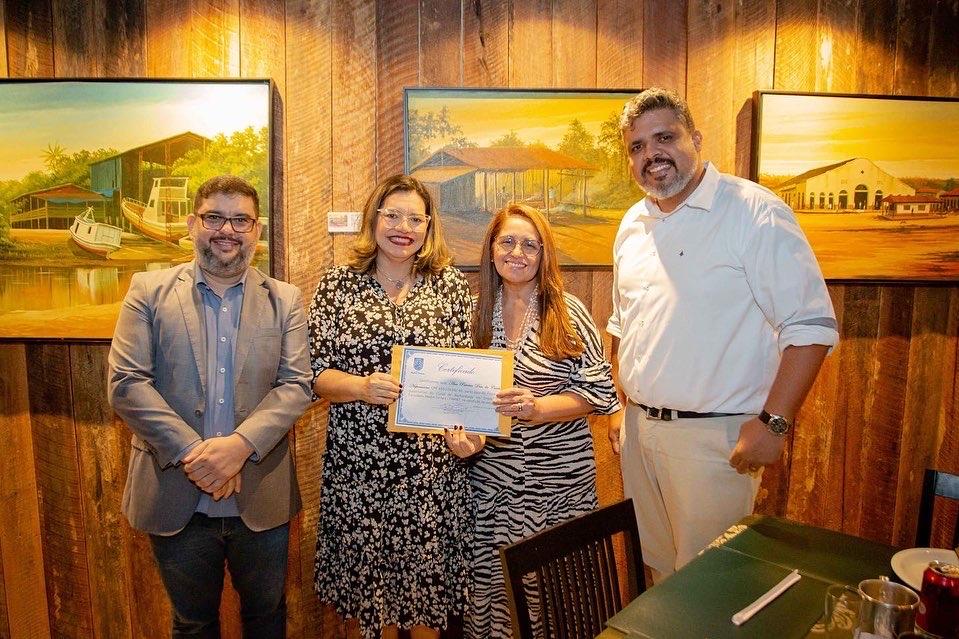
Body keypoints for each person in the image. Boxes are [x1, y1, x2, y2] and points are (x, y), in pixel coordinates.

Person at [608, 87, 839, 582]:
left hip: (713, 441)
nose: (651, 155)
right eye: (637, 147)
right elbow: (621, 324)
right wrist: (621, 404)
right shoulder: (632, 224)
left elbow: (812, 327)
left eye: (664, 137)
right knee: (658, 576)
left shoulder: (755, 211)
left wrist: (774, 424)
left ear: (695, 137)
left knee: (710, 586)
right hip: (639, 433)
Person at [108, 174, 313, 637]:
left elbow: (297, 384)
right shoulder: (147, 290)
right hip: (175, 492)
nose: (227, 230)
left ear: (256, 230)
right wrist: (198, 456)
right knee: (192, 623)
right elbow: (125, 382)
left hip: (259, 497)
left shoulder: (285, 300)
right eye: (214, 217)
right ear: (191, 223)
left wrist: (238, 446)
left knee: (266, 619)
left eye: (241, 220)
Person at [308, 174, 484, 639]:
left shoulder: (448, 285)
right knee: (376, 601)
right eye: (393, 215)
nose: (403, 227)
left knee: (427, 600)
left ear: (429, 227)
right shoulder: (338, 285)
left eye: (415, 218)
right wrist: (362, 387)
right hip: (361, 468)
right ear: (374, 219)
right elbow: (315, 375)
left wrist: (469, 434)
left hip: (431, 472)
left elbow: (465, 374)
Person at [467, 203, 620, 639]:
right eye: (508, 241)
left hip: (557, 489)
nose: (518, 252)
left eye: (530, 245)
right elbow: (460, 399)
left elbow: (598, 393)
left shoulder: (567, 312)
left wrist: (537, 407)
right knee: (495, 599)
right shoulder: (477, 312)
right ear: (492, 250)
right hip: (491, 489)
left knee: (558, 600)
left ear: (543, 254)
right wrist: (462, 439)